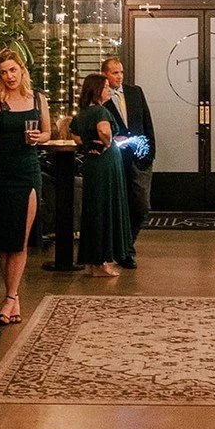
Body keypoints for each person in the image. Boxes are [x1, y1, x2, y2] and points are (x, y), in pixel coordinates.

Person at [0, 50, 51, 326]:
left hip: (28, 172)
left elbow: (47, 132)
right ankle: (13, 298)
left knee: (20, 238)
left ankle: (10, 296)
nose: (9, 76)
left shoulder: (38, 99)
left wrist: (39, 137)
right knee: (5, 243)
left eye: (13, 70)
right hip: (0, 173)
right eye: (3, 72)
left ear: (22, 71)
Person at [72, 74, 133, 278]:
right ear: (97, 89)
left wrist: (89, 143)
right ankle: (102, 262)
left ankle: (92, 260)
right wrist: (107, 142)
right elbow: (103, 130)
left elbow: (75, 136)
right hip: (106, 164)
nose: (109, 90)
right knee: (106, 208)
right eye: (106, 87)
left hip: (92, 164)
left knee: (94, 208)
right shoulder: (101, 111)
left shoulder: (82, 113)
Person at [100, 58, 155, 269]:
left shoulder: (135, 92)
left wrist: (150, 153)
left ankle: (126, 245)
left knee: (141, 206)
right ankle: (123, 251)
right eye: (115, 73)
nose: (119, 76)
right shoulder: (101, 98)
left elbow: (147, 123)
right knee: (120, 206)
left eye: (121, 72)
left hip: (140, 158)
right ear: (105, 74)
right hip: (116, 160)